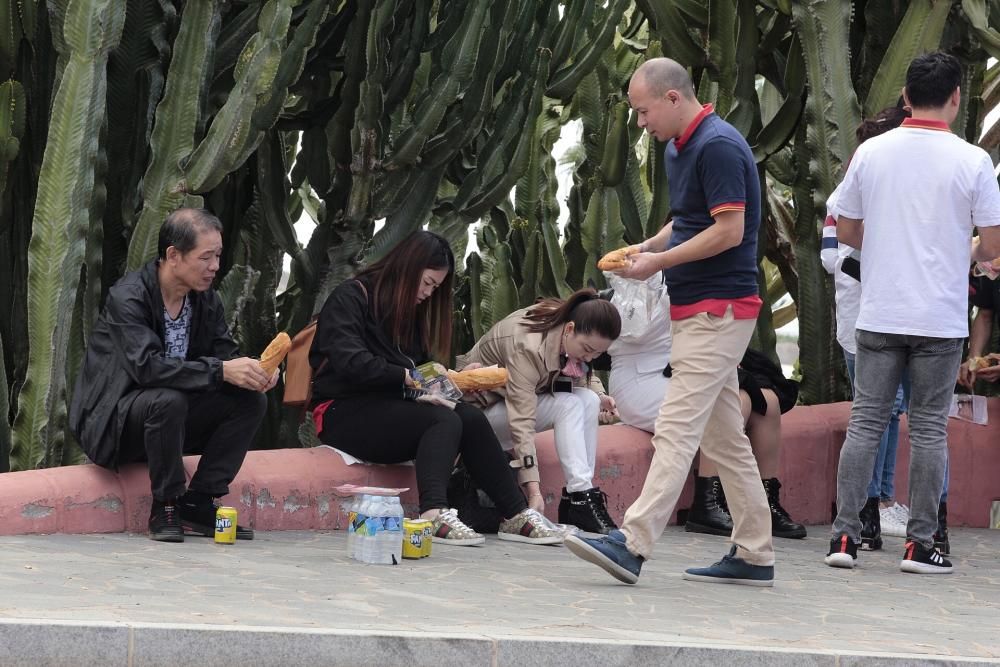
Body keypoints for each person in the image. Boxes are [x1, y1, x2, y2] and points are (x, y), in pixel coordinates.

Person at [565, 57, 775, 586]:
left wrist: (658, 262)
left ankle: (632, 543)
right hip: (696, 308)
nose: (640, 122)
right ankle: (754, 553)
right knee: (725, 437)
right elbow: (688, 220)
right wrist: (648, 245)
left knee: (678, 427)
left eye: (643, 111)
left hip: (719, 309)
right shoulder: (682, 146)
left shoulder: (719, 145)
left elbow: (729, 231)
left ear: (674, 98)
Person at [825, 52, 1000, 575]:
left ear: (905, 95)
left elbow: (848, 230)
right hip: (939, 321)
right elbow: (991, 246)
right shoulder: (972, 161)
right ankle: (922, 546)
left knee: (865, 424)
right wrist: (961, 248)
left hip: (879, 312)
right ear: (956, 99)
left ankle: (843, 538)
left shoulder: (872, 153)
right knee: (927, 430)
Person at [308, 230, 561, 547]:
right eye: (426, 282)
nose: (428, 293)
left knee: (467, 416)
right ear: (406, 268)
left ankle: (515, 513)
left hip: (393, 411)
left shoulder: (408, 315)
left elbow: (421, 371)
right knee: (442, 420)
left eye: (435, 287)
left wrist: (454, 381)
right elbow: (350, 362)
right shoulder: (351, 297)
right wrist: (408, 377)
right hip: (341, 412)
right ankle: (433, 512)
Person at [69, 208, 272, 543]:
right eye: (206, 257)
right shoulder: (129, 297)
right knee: (167, 399)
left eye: (218, 256)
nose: (215, 267)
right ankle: (165, 504)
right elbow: (146, 368)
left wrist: (253, 372)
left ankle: (201, 500)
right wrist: (221, 370)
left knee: (250, 401)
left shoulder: (206, 301)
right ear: (173, 255)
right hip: (118, 424)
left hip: (171, 422)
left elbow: (225, 356)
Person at [604, 295, 804, 539]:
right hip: (642, 377)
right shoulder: (634, 287)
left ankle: (767, 501)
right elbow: (634, 334)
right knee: (728, 401)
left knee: (768, 403)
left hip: (688, 365)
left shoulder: (681, 274)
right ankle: (707, 501)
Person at [821, 105, 916, 549]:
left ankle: (878, 500)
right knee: (876, 413)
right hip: (865, 319)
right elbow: (832, 255)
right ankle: (868, 507)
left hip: (888, 316)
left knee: (888, 412)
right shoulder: (850, 194)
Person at [458, 289, 622, 535]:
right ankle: (581, 498)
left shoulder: (565, 335)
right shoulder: (528, 346)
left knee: (587, 400)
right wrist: (534, 492)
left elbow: (579, 371)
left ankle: (579, 497)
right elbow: (521, 421)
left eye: (597, 354)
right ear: (569, 330)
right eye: (587, 349)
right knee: (569, 404)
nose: (589, 357)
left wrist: (601, 396)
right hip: (477, 420)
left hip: (507, 408)